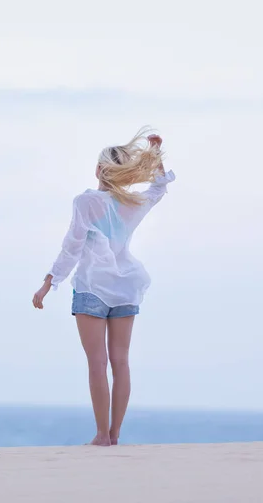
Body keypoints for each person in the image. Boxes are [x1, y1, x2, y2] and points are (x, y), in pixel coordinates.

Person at [32, 129, 175, 446]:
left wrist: (48, 284)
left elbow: (71, 248)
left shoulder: (86, 202)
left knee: (97, 364)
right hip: (126, 287)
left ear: (98, 170)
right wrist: (154, 154)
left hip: (92, 289)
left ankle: (101, 435)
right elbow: (160, 187)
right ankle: (116, 434)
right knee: (121, 362)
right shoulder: (134, 203)